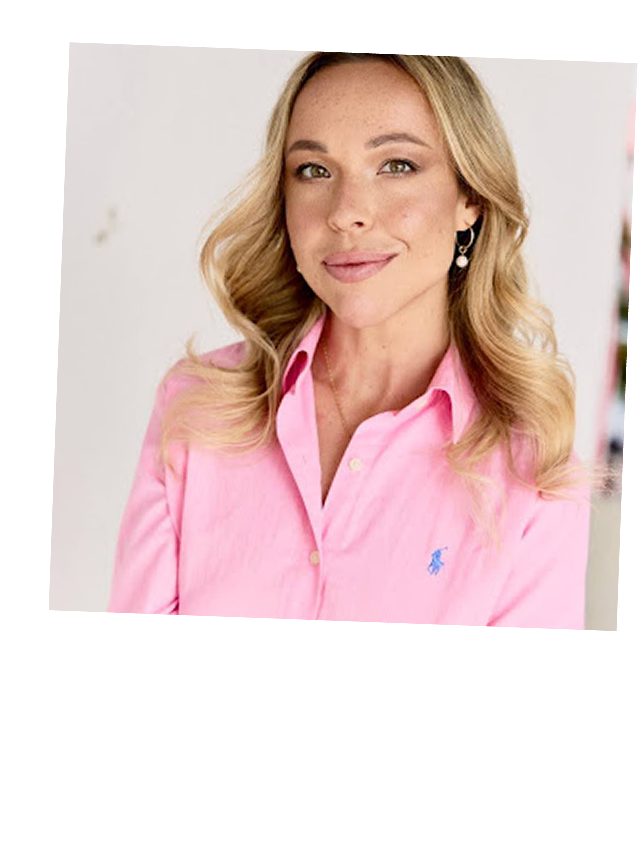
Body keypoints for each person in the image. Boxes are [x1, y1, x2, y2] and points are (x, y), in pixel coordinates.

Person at [108, 51, 595, 627]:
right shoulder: (196, 408)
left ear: (470, 198)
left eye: (396, 166)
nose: (346, 214)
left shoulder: (533, 472)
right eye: (314, 171)